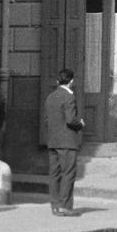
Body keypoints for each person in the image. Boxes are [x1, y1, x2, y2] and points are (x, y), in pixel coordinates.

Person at [42, 68, 85, 216]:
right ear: (71, 81)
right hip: (67, 141)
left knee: (54, 174)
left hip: (53, 140)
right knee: (68, 173)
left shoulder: (50, 97)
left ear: (57, 81)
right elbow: (70, 120)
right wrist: (80, 124)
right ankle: (65, 206)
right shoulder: (69, 97)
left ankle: (55, 205)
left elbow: (47, 120)